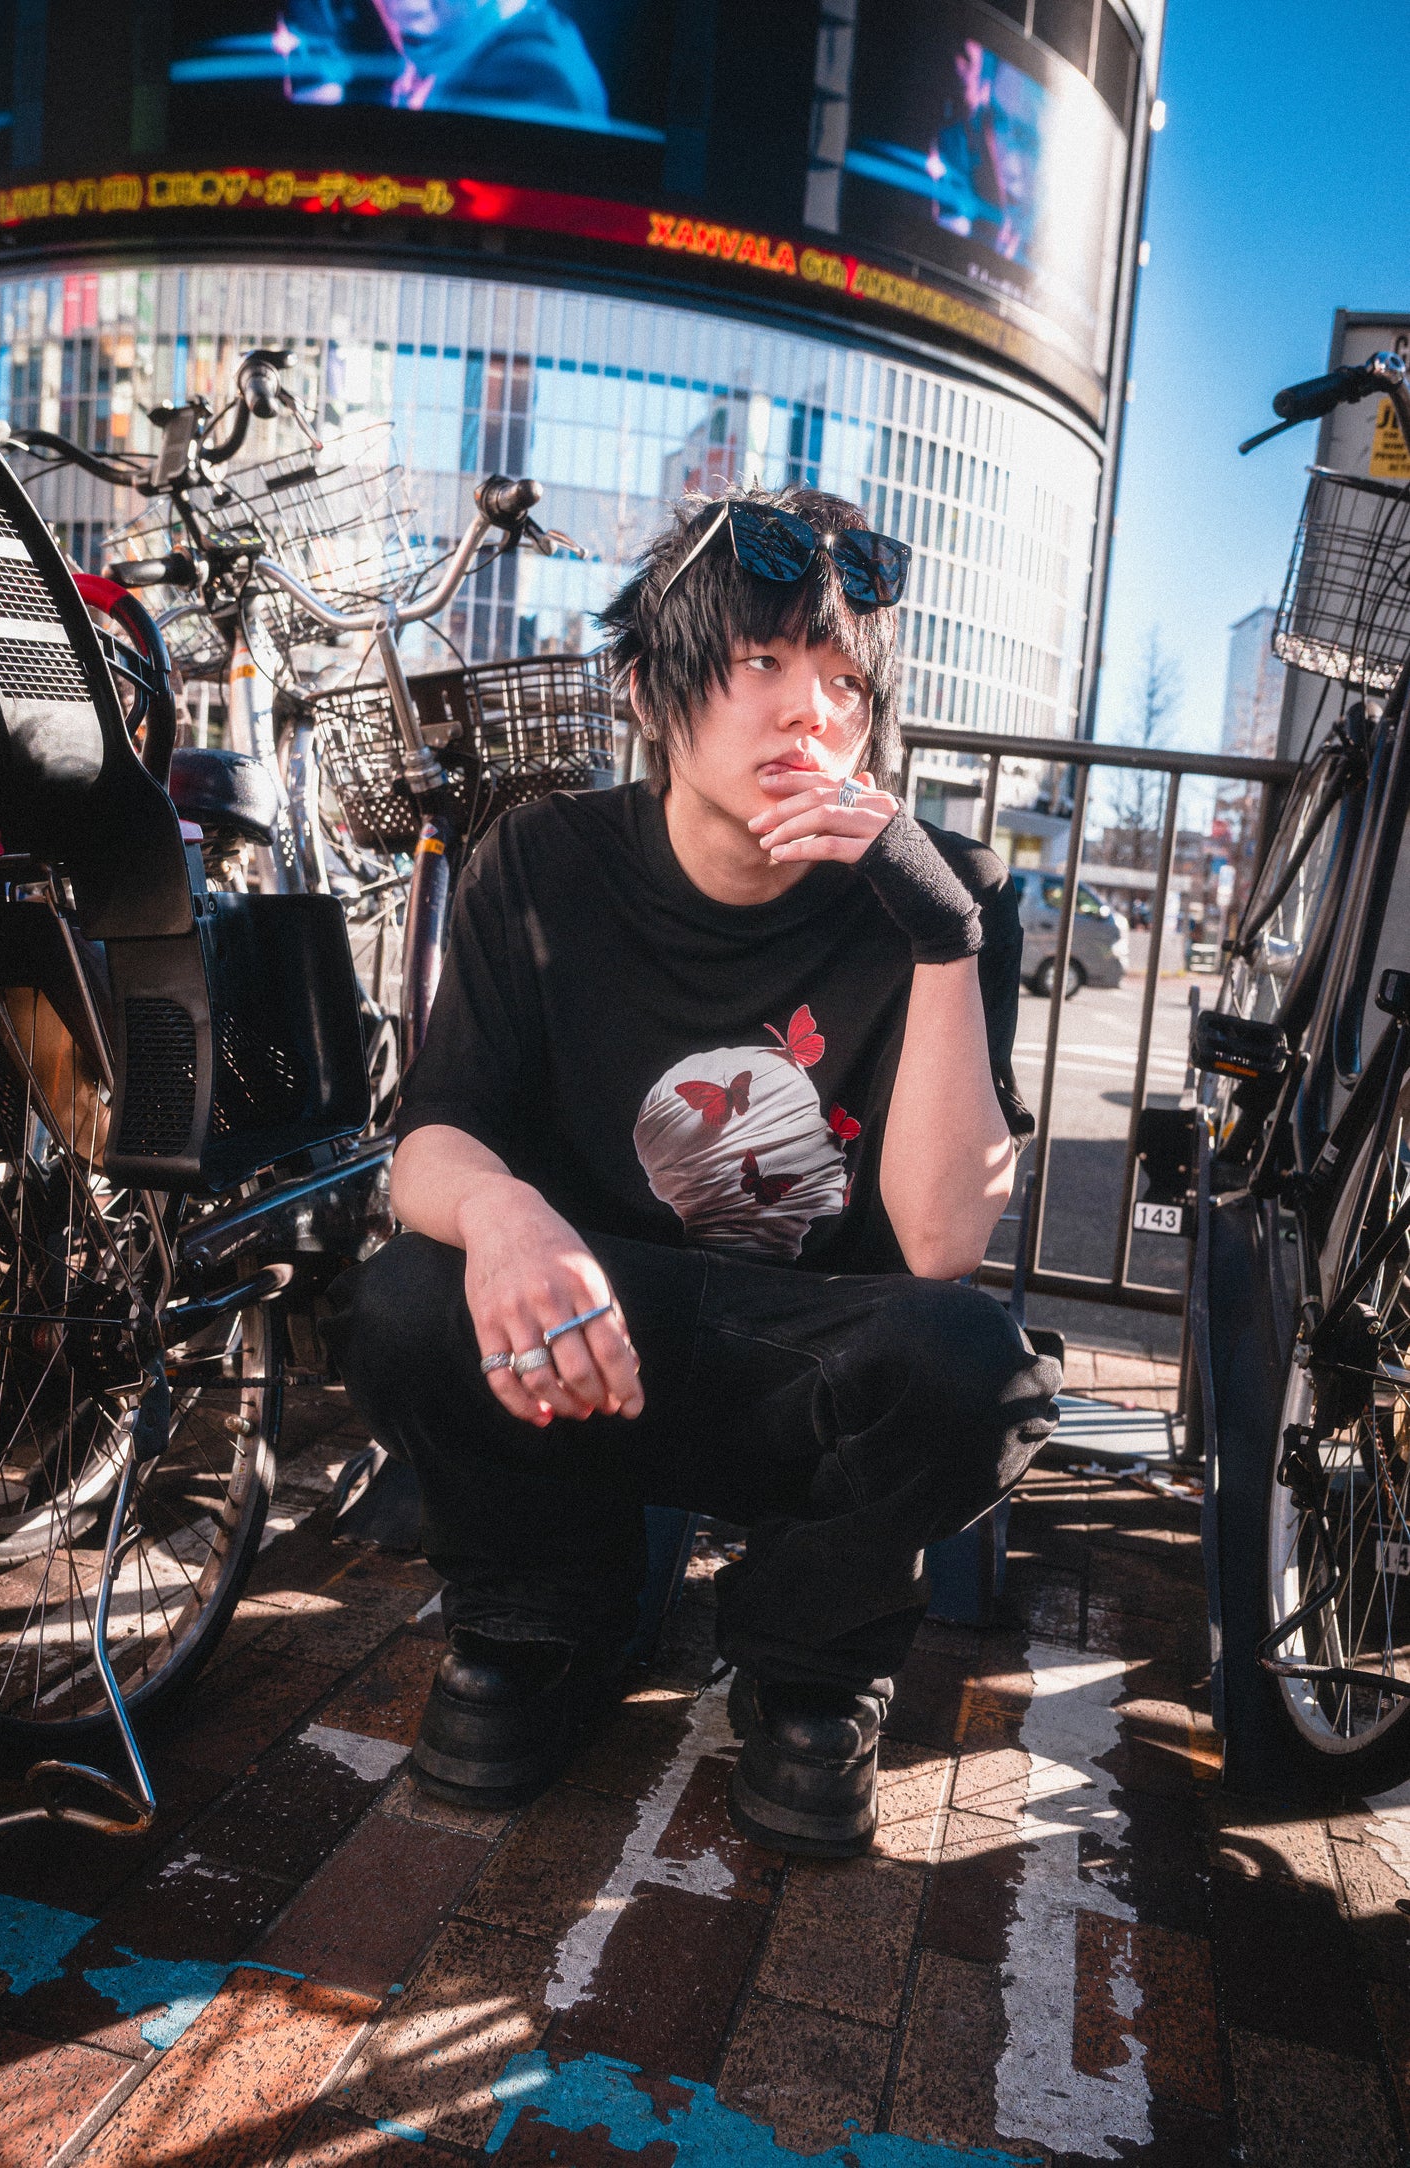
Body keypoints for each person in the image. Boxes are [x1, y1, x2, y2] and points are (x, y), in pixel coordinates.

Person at [328, 487, 1061, 1858]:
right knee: (406, 1298)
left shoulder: (938, 895)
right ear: (648, 692)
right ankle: (537, 1619)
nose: (811, 715)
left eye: (843, 681)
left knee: (979, 1366)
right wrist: (504, 1214)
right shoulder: (543, 860)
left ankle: (806, 1669)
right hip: (587, 1338)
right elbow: (435, 1132)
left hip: (796, 1364)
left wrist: (945, 941)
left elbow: (943, 1240)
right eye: (761, 664)